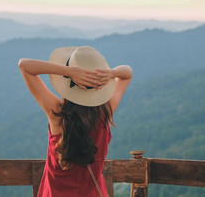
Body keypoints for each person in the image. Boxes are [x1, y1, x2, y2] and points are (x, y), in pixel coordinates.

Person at [18, 46, 132, 197]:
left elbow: (24, 66)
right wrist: (112, 73)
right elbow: (127, 74)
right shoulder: (105, 112)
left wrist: (69, 72)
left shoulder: (58, 114)